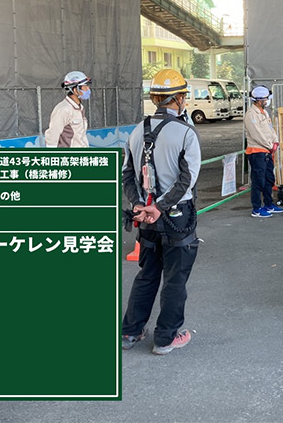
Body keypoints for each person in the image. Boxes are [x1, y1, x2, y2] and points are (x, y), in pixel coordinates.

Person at [121, 69, 202, 355]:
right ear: (179, 98)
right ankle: (166, 337)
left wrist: (140, 205)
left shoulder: (135, 131)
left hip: (146, 218)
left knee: (147, 273)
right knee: (175, 278)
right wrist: (161, 206)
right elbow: (187, 179)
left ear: (155, 98)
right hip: (175, 216)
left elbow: (127, 175)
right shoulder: (185, 133)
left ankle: (130, 331)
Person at [244, 85, 282, 218]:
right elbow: (257, 134)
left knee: (268, 179)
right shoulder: (251, 115)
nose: (267, 101)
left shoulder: (264, 112)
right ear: (259, 100)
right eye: (265, 99)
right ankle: (256, 208)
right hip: (257, 152)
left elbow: (270, 129)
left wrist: (275, 141)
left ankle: (268, 204)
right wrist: (270, 145)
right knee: (258, 181)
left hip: (266, 151)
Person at [44, 71, 91, 148]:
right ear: (75, 90)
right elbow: (52, 136)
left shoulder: (80, 108)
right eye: (84, 87)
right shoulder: (63, 110)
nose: (88, 89)